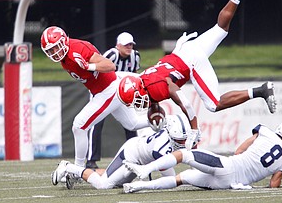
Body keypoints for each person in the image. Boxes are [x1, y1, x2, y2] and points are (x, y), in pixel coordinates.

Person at [117, 0, 276, 150]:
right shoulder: (143, 79)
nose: (138, 103)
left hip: (191, 62)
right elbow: (152, 98)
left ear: (138, 90)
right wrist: (154, 113)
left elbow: (184, 102)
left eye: (136, 100)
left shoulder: (156, 86)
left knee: (214, 104)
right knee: (221, 28)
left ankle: (260, 90)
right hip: (184, 50)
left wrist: (194, 129)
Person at [40, 26, 150, 172]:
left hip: (108, 89)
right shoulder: (65, 57)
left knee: (79, 126)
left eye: (56, 48)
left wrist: (88, 66)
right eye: (51, 51)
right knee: (133, 124)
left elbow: (110, 65)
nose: (55, 53)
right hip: (102, 90)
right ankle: (166, 122)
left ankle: (79, 170)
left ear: (64, 41)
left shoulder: (78, 49)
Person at [123, 120, 282, 192]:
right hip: (230, 185)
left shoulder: (264, 132)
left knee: (184, 155)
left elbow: (239, 150)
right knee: (181, 179)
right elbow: (273, 185)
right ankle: (137, 187)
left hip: (228, 166)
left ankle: (144, 170)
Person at [51, 112, 192, 190]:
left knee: (115, 182)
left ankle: (76, 173)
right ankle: (67, 166)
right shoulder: (160, 149)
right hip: (131, 155)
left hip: (138, 158)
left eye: (183, 140)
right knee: (103, 185)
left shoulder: (171, 137)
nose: (181, 143)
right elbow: (170, 178)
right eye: (179, 140)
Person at [87, 32, 141, 169]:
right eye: (126, 44)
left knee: (131, 124)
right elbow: (97, 71)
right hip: (103, 93)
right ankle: (91, 160)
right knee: (96, 123)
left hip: (123, 95)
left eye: (131, 44)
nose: (129, 47)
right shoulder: (111, 55)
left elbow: (134, 76)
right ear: (118, 46)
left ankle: (135, 156)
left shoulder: (135, 56)